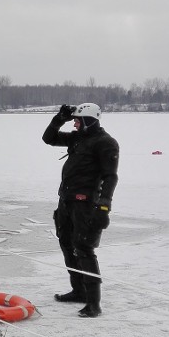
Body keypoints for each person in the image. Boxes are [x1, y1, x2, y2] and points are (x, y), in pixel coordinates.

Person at [42, 103, 119, 318]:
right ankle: (79, 291)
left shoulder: (106, 143)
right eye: (73, 120)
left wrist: (104, 206)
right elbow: (48, 138)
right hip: (66, 202)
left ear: (88, 120)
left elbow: (110, 177)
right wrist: (60, 118)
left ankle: (94, 303)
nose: (74, 123)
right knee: (67, 245)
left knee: (83, 249)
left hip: (86, 205)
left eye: (77, 120)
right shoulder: (78, 138)